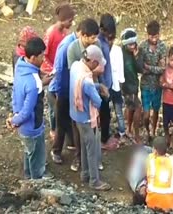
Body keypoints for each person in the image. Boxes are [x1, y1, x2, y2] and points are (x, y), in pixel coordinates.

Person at [8, 37, 53, 180]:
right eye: (41, 56)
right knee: (36, 155)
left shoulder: (20, 66)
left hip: (22, 124)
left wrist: (15, 115)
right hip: (32, 126)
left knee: (28, 151)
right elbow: (28, 111)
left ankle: (28, 175)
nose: (43, 59)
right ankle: (36, 180)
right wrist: (15, 120)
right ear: (33, 57)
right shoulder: (34, 83)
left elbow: (15, 92)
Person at [69, 44, 111, 190]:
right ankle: (94, 181)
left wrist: (97, 86)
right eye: (97, 64)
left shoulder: (76, 66)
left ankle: (85, 173)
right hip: (86, 117)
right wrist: (100, 91)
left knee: (84, 144)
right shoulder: (86, 80)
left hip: (76, 114)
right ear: (93, 62)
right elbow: (97, 101)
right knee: (92, 148)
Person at [65, 18, 101, 172]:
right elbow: (74, 73)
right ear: (84, 36)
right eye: (92, 37)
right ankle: (80, 159)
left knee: (93, 132)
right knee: (80, 131)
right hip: (78, 95)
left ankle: (91, 163)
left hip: (92, 90)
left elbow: (101, 69)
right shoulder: (72, 49)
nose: (95, 40)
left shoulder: (96, 46)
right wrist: (92, 73)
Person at [127, 137, 173, 210]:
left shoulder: (150, 160)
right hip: (172, 205)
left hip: (152, 204)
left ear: (155, 151)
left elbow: (144, 154)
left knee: (145, 170)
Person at [50, 20, 84, 165]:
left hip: (71, 88)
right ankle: (56, 151)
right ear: (82, 34)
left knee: (73, 122)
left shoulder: (77, 43)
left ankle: (75, 149)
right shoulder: (66, 46)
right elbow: (58, 71)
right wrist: (59, 92)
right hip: (63, 90)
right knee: (61, 123)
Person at [42, 3, 75, 141]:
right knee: (52, 103)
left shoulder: (65, 33)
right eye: (70, 20)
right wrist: (53, 71)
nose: (71, 23)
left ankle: (61, 129)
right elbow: (43, 55)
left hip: (60, 71)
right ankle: (54, 129)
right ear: (63, 19)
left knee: (60, 103)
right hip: (51, 72)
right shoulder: (51, 33)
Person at [139, 20, 167, 141]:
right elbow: (140, 67)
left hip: (157, 85)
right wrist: (150, 68)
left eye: (156, 36)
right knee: (146, 114)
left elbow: (162, 68)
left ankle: (153, 131)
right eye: (151, 36)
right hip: (145, 84)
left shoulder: (162, 47)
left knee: (155, 110)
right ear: (147, 35)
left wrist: (148, 67)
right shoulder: (142, 47)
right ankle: (146, 130)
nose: (154, 39)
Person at [98, 13, 120, 150]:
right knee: (104, 112)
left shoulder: (105, 41)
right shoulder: (99, 43)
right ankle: (104, 140)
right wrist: (103, 86)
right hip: (103, 84)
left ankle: (104, 135)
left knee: (106, 111)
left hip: (107, 81)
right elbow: (99, 67)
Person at [120, 28, 143, 144]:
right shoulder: (123, 55)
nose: (133, 46)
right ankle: (136, 134)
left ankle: (129, 129)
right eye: (130, 44)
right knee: (138, 108)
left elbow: (139, 69)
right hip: (128, 87)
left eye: (134, 44)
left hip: (131, 85)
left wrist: (136, 56)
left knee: (130, 108)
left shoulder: (130, 53)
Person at [109, 34, 126, 143]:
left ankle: (122, 132)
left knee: (118, 111)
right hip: (107, 85)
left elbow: (120, 66)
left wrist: (120, 82)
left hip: (115, 85)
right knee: (107, 111)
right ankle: (110, 132)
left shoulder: (117, 50)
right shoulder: (102, 48)